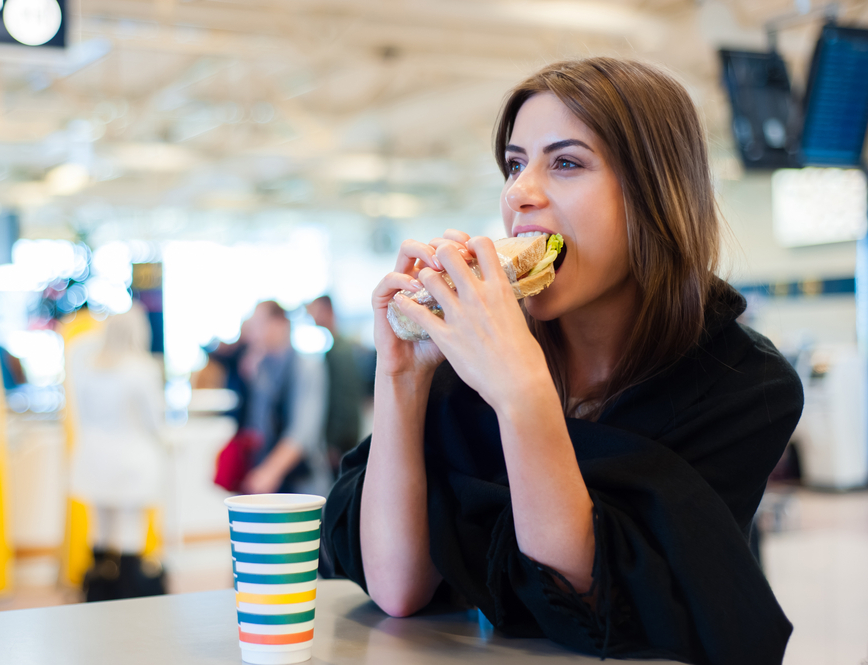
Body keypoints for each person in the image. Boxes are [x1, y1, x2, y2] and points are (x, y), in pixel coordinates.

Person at [320, 58, 803, 665]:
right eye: (515, 164)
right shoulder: (468, 347)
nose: (520, 193)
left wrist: (521, 396)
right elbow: (398, 587)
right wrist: (404, 378)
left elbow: (592, 602)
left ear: (654, 195)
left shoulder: (745, 383)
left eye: (566, 162)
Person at [69, 302, 167, 601]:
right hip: (132, 459)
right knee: (130, 527)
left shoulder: (88, 367)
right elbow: (155, 420)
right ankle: (128, 591)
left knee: (100, 526)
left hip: (93, 457)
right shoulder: (142, 369)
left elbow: (80, 414)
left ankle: (98, 590)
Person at [238, 300, 332, 497]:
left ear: (279, 323)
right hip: (270, 481)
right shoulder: (262, 368)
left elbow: (304, 432)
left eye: (258, 324)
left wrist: (270, 471)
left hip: (302, 481)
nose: (253, 333)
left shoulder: (308, 367)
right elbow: (258, 427)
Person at [306, 295, 364, 476]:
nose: (312, 317)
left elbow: (343, 399)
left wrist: (335, 443)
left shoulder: (340, 351)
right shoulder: (338, 347)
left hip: (342, 442)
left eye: (315, 311)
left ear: (327, 311)